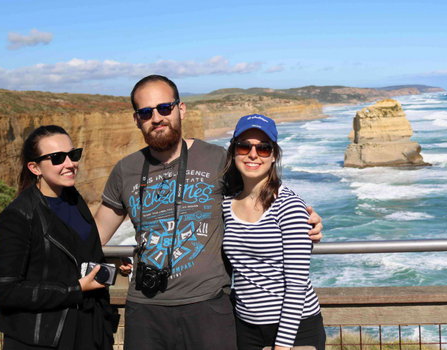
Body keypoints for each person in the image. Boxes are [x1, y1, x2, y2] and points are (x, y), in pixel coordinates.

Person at [94, 74, 323, 350]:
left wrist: (308, 220)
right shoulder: (125, 170)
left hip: (209, 309)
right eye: (146, 112)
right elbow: (94, 237)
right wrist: (118, 255)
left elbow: (261, 190)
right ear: (136, 119)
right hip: (145, 311)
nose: (157, 118)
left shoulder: (218, 161)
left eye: (165, 108)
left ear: (181, 109)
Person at [0, 125, 117, 350]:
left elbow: (74, 252)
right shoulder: (18, 215)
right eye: (57, 158)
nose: (70, 164)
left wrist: (110, 265)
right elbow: (7, 292)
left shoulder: (73, 198)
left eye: (73, 155)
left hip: (88, 328)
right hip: (45, 338)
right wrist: (76, 288)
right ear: (34, 167)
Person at [222, 114, 326, 350]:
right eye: (244, 146)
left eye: (264, 148)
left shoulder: (288, 206)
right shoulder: (226, 205)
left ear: (274, 155)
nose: (253, 154)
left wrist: (282, 346)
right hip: (245, 327)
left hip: (295, 328)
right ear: (233, 151)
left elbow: (296, 285)